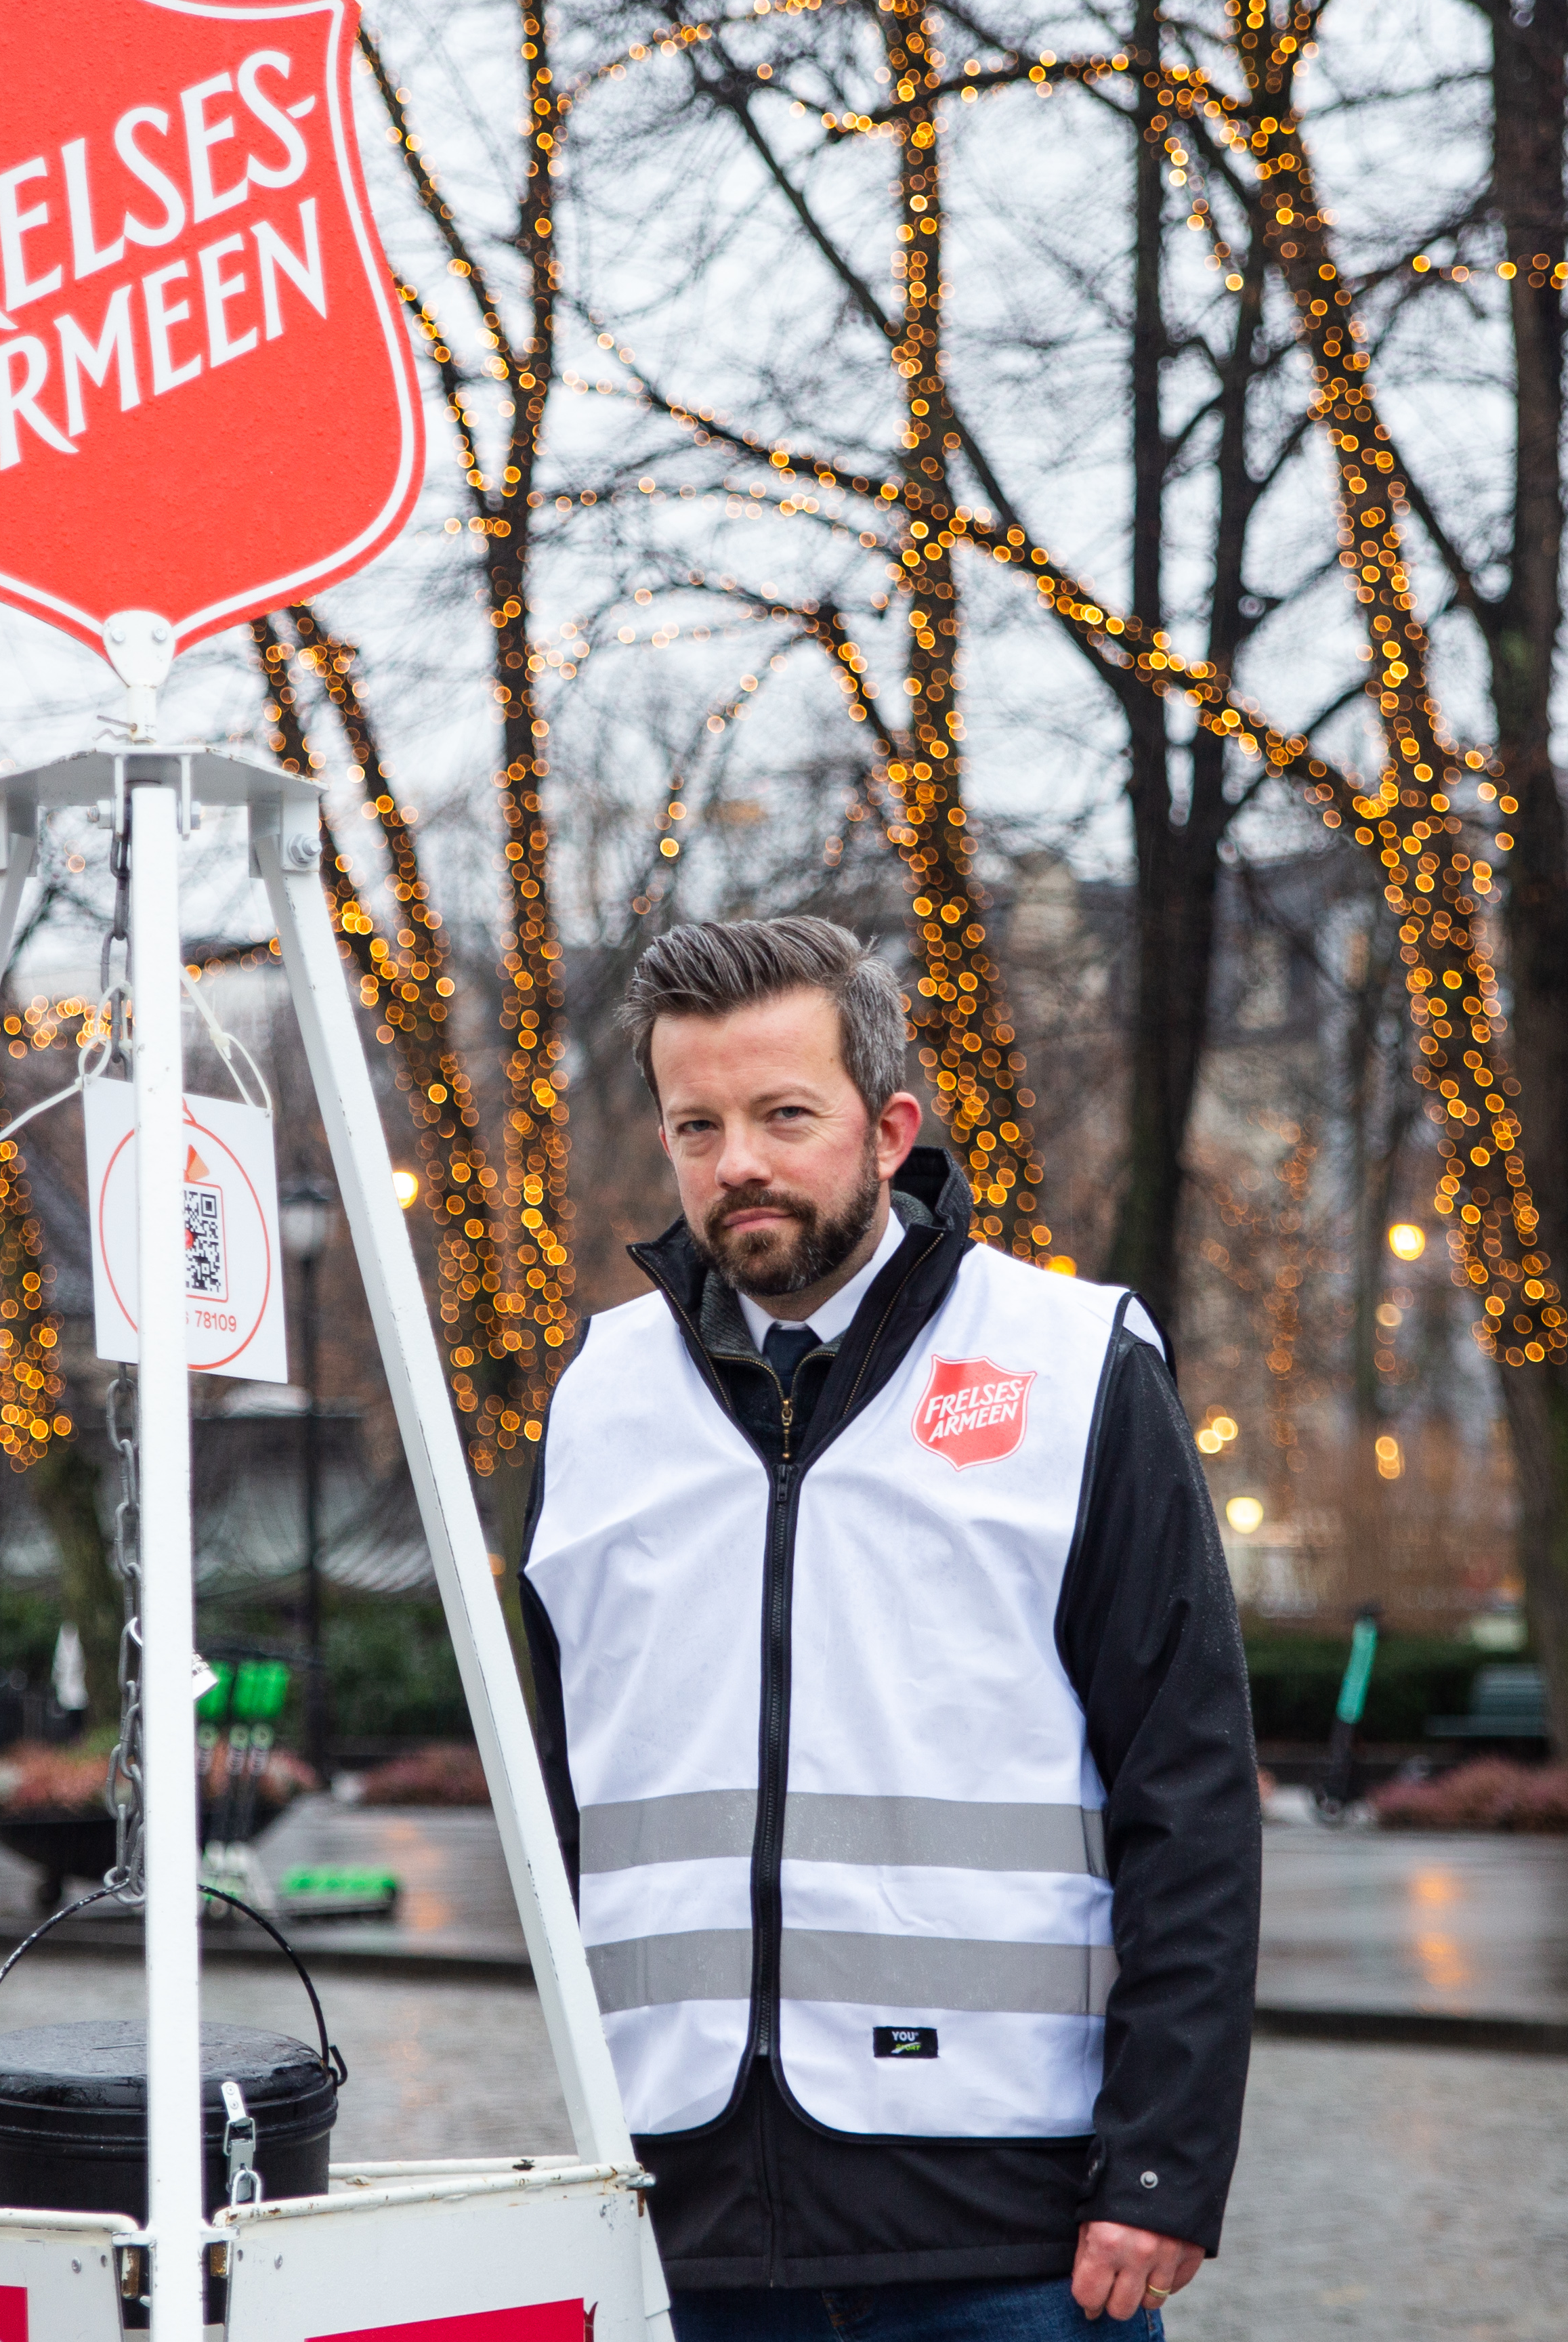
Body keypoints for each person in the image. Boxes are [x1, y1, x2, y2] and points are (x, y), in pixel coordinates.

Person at [523, 918, 1260, 2341]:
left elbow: (1191, 1792)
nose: (737, 1159)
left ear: (889, 1126)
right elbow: (557, 1793)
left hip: (1013, 2237)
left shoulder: (1068, 1366)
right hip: (680, 2227)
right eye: (698, 1123)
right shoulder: (596, 1398)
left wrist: (1164, 2166)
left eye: (784, 1115)